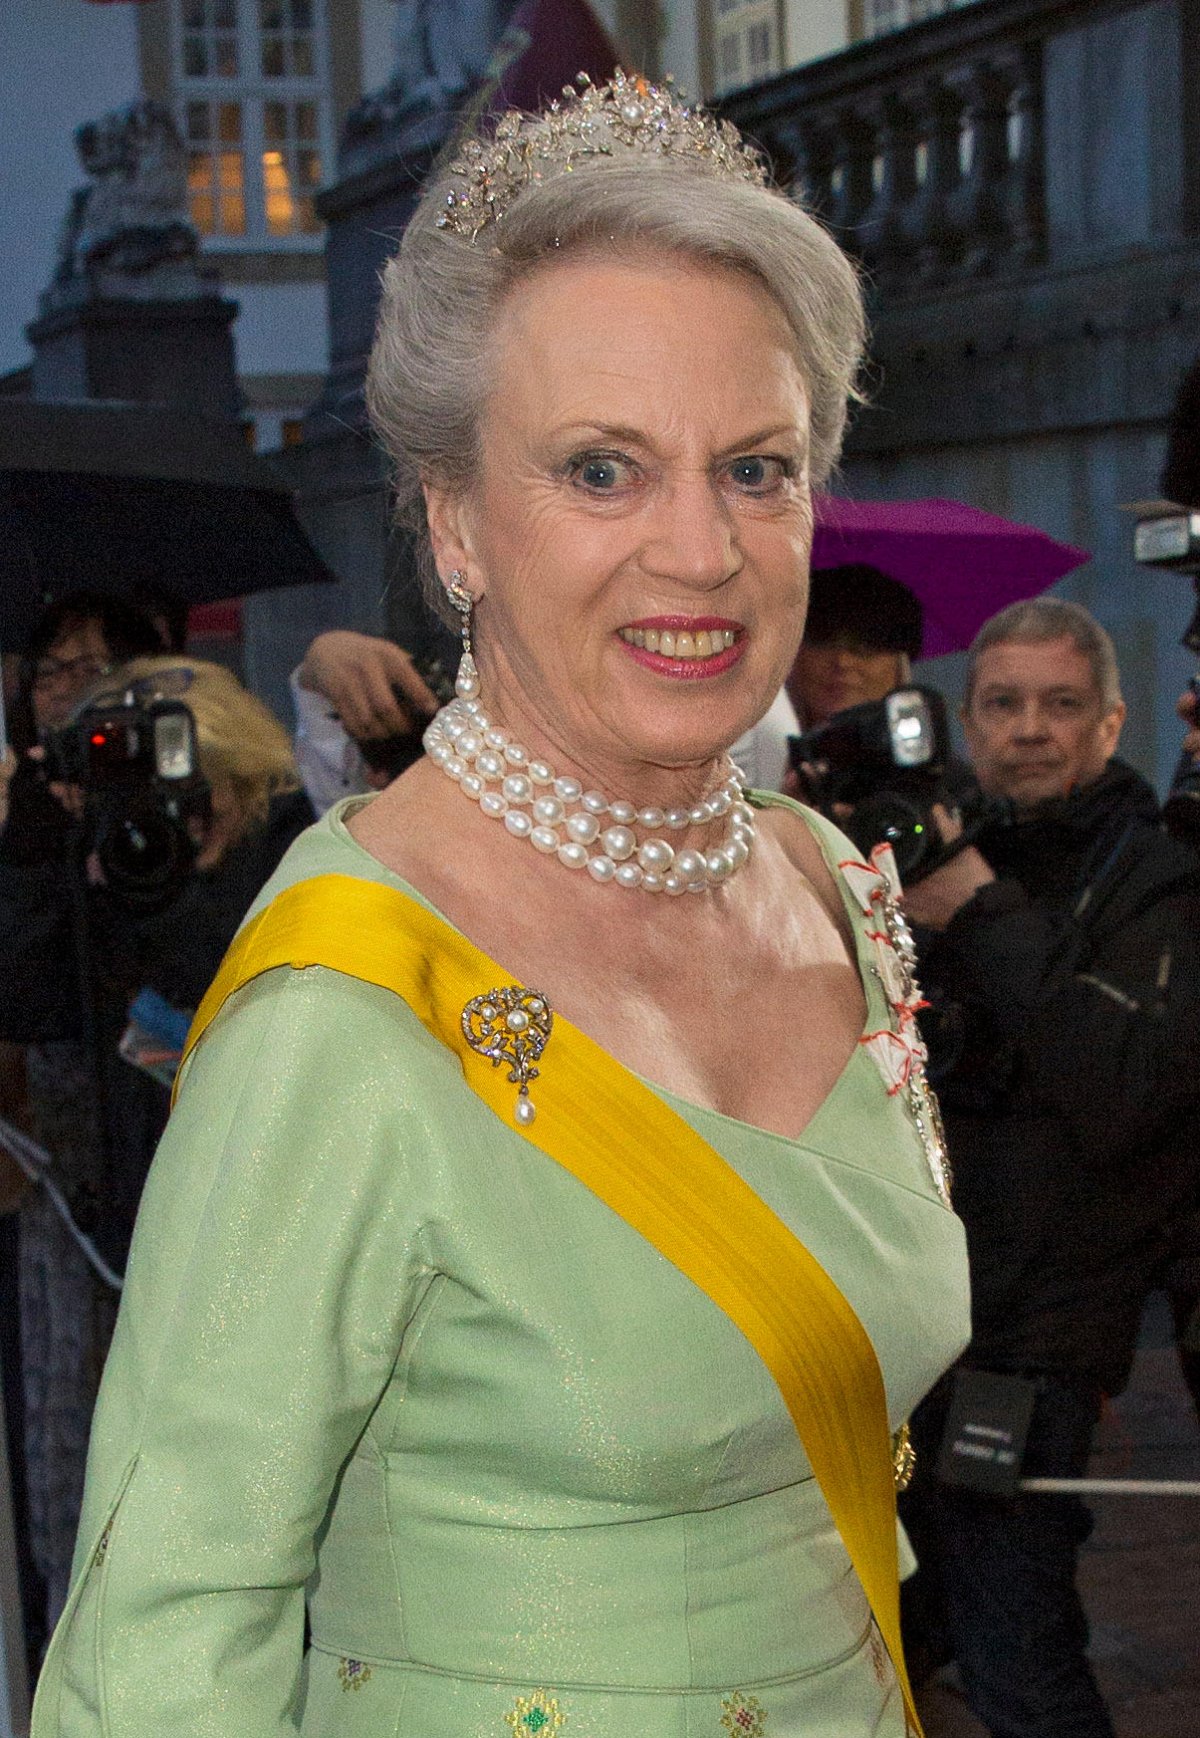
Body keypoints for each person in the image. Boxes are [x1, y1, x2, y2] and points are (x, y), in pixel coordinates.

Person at [31, 74, 969, 1738]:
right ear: (455, 519)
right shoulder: (342, 999)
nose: (701, 549)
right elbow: (162, 1650)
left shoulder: (829, 880)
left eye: (755, 468)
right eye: (603, 469)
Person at [897, 597, 1200, 1738]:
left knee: (1018, 1654)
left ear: (1111, 723)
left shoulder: (1159, 876)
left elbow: (1127, 1088)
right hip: (919, 1314)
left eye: (1062, 704)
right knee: (905, 1625)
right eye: (1005, 703)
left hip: (1041, 1334)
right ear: (967, 721)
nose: (1030, 728)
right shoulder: (929, 854)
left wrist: (980, 911)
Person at [1, 632, 312, 1653]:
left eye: (195, 794)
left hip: (269, 1260)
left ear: (245, 781)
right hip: (110, 1243)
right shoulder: (95, 877)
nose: (175, 822)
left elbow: (234, 974)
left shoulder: (297, 862)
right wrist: (39, 859)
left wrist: (166, 891)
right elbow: (26, 996)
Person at [788, 562, 924, 729]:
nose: (843, 661)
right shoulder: (760, 741)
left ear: (900, 665)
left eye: (865, 648)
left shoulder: (931, 745)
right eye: (824, 642)